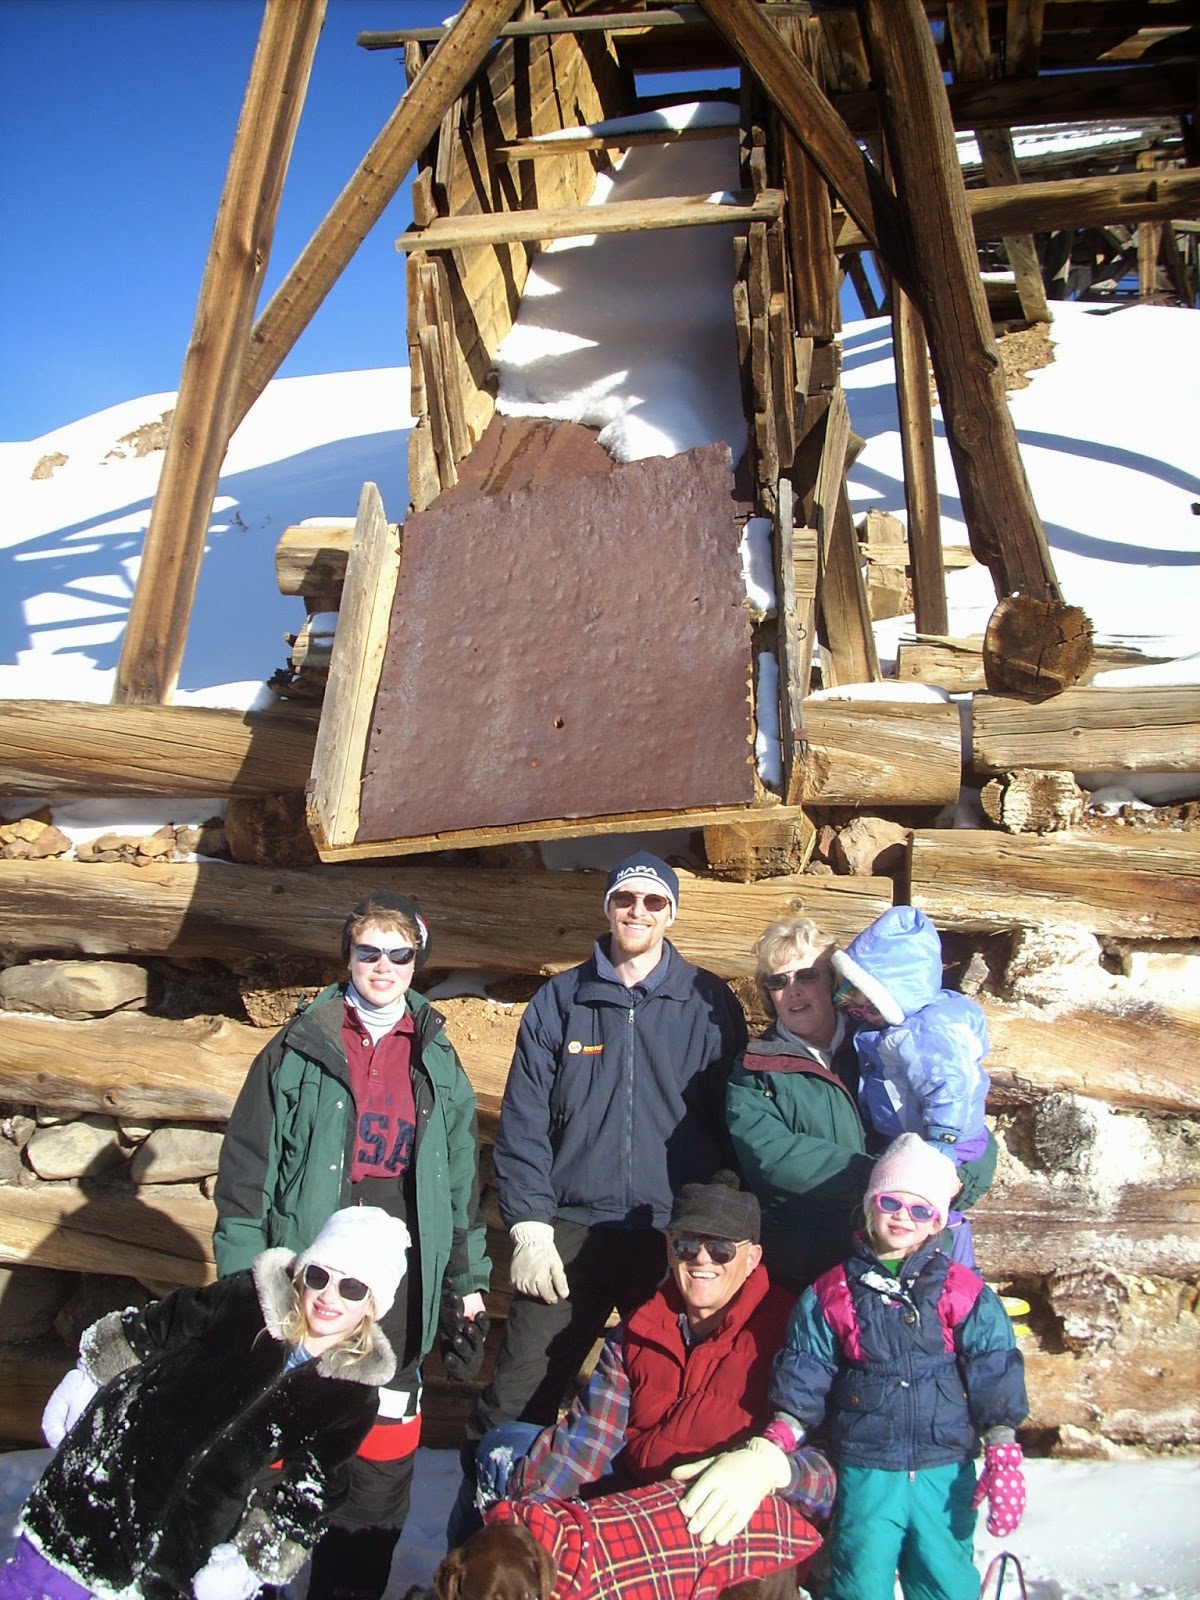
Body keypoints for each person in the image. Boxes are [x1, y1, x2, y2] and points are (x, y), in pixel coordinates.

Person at [450, 853, 749, 1540]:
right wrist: (528, 1227)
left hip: (669, 1238)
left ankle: (632, 1551)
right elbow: (524, 1124)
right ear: (607, 907)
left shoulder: (708, 1002)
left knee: (662, 1399)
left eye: (652, 903)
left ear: (670, 913)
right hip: (571, 1232)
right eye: (625, 900)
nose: (636, 913)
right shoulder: (562, 1001)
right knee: (518, 1394)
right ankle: (479, 1550)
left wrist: (715, 1231)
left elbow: (731, 1128)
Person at [213, 890, 491, 1600]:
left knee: (380, 1443)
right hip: (311, 1265)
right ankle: (255, 1582)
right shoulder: (298, 1047)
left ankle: (350, 1582)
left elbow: (458, 1183)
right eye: (369, 952)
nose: (384, 966)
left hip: (399, 1269)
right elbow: (246, 1174)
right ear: (349, 957)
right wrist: (246, 1285)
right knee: (280, 1439)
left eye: (400, 955)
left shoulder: (436, 1054)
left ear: (415, 963)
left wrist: (467, 1283)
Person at [1, 1206, 407, 1600]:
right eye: (318, 1276)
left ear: (373, 1303)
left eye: (351, 1287)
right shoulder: (247, 1302)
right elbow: (162, 1324)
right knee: (35, 1588)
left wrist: (252, 1562)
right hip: (107, 1480)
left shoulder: (351, 1395)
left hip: (185, 1540)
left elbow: (315, 1488)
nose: (328, 1296)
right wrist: (91, 1373)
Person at [469, 1171, 834, 1544]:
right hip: (637, 1495)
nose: (701, 1259)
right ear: (670, 1249)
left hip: (721, 1516)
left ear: (752, 1257)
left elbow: (824, 1480)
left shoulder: (789, 1333)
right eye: (687, 1246)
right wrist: (530, 1519)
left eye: (721, 1248)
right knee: (508, 1448)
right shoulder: (641, 1327)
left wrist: (770, 1469)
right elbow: (592, 1438)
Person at [765, 1134, 1028, 1600]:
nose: (904, 1216)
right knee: (859, 1579)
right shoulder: (834, 1292)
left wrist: (1002, 1447)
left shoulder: (958, 1288)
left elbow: (992, 1364)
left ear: (936, 1223)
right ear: (870, 1207)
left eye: (921, 1210)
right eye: (891, 1202)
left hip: (943, 1467)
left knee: (944, 1577)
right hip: (868, 1468)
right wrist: (781, 1435)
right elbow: (808, 1369)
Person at [726, 918, 996, 1293]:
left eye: (807, 975)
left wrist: (953, 1177)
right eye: (777, 981)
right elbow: (773, 1158)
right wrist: (895, 1182)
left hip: (910, 1262)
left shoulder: (889, 1046)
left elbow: (971, 1127)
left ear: (835, 981)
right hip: (813, 1267)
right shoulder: (756, 1070)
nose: (793, 991)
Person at [830, 905, 991, 1264]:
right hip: (919, 1136)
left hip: (944, 1139)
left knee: (932, 1208)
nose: (862, 1018)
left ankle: (957, 1272)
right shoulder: (897, 1028)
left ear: (895, 996)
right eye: (856, 1010)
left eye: (869, 1009)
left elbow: (950, 1089)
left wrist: (942, 1144)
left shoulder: (925, 1033)